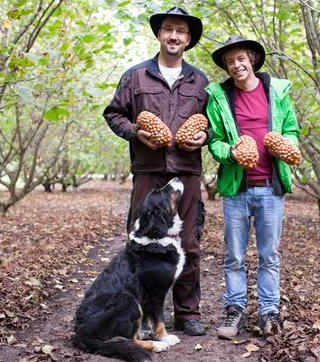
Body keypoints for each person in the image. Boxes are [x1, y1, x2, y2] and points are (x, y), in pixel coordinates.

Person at [103, 6, 209, 336]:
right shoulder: (135, 76)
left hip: (187, 173)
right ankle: (146, 315)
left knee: (188, 243)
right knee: (143, 244)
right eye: (168, 29)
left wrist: (204, 137)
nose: (174, 35)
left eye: (180, 31)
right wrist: (137, 132)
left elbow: (215, 127)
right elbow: (113, 114)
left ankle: (187, 313)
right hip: (148, 171)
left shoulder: (200, 81)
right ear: (159, 34)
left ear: (188, 39)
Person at [205, 36, 300, 339]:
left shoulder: (277, 91)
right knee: (234, 255)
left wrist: (286, 145)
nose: (236, 65)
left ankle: (268, 312)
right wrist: (230, 153)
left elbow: (291, 130)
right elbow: (215, 140)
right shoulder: (219, 96)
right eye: (230, 61)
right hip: (237, 189)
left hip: (270, 187)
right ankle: (235, 312)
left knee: (269, 255)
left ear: (253, 60)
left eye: (241, 59)